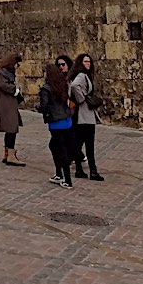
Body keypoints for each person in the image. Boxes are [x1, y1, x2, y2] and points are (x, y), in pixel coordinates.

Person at [38, 63, 74, 188]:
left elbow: (43, 106)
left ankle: (67, 179)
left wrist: (37, 107)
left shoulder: (46, 89)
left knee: (60, 149)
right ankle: (59, 173)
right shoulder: (62, 85)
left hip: (56, 122)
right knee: (53, 145)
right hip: (66, 120)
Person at [69, 53, 104, 181]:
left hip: (82, 115)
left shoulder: (83, 75)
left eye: (89, 61)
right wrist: (81, 98)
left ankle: (79, 169)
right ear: (80, 63)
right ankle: (93, 170)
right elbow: (74, 86)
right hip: (85, 115)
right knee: (89, 145)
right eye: (85, 62)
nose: (88, 64)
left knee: (79, 144)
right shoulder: (82, 75)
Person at [0, 52, 26, 166]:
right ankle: (10, 155)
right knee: (11, 128)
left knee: (11, 129)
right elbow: (4, 85)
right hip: (6, 104)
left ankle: (8, 153)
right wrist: (15, 89)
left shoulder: (5, 72)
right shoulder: (1, 73)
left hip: (9, 103)